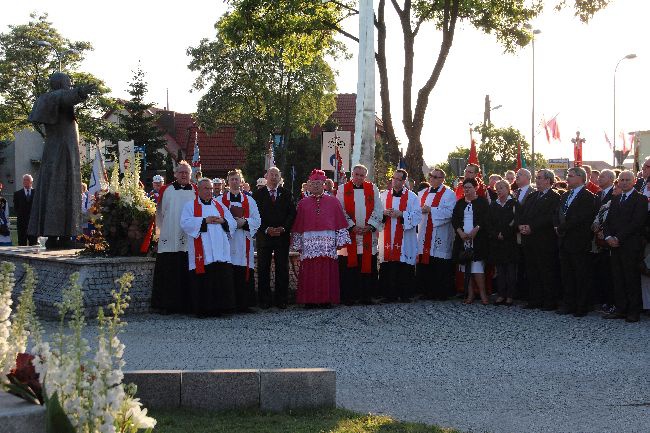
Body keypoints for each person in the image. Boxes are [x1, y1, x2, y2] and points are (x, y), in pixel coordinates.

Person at [27, 73, 95, 249]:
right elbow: (68, 97)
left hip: (54, 150)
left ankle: (60, 236)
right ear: (61, 83)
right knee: (62, 189)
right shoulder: (57, 96)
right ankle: (59, 235)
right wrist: (81, 92)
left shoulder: (45, 99)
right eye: (68, 82)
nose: (70, 84)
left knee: (55, 190)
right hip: (63, 151)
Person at [291, 169, 350, 307]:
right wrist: (297, 242)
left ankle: (326, 300)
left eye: (319, 183)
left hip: (327, 243)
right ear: (309, 185)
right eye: (313, 183)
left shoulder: (334, 202)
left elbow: (340, 222)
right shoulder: (302, 203)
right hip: (309, 243)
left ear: (324, 184)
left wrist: (340, 241)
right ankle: (309, 300)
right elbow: (298, 224)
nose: (316, 185)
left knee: (326, 271)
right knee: (309, 271)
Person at [180, 178, 236, 317]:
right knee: (204, 280)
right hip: (203, 252)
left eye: (211, 189)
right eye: (206, 188)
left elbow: (232, 223)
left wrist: (223, 221)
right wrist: (204, 220)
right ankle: (203, 310)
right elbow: (185, 223)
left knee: (221, 278)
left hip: (220, 249)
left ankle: (222, 309)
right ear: (198, 190)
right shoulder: (190, 206)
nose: (209, 191)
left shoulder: (219, 205)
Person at [151, 161, 197, 314]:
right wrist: (159, 234)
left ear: (191, 175)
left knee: (187, 270)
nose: (184, 175)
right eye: (181, 172)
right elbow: (159, 213)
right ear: (176, 174)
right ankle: (166, 305)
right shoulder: (167, 190)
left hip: (189, 237)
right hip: (169, 235)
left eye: (186, 173)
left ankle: (187, 304)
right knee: (169, 271)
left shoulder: (195, 191)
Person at [603, 171, 647, 322]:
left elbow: (637, 222)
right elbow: (607, 221)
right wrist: (608, 236)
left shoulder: (640, 199)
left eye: (628, 179)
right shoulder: (616, 199)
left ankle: (633, 311)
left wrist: (618, 237)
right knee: (618, 278)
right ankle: (621, 308)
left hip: (630, 245)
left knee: (631, 279)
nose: (624, 182)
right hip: (614, 246)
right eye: (621, 180)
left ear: (634, 181)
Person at [337, 164, 384, 305]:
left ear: (365, 176)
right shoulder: (342, 189)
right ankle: (350, 297)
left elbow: (378, 208)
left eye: (362, 175)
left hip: (368, 234)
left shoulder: (373, 188)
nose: (358, 177)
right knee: (350, 267)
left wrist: (370, 226)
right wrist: (352, 226)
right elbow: (340, 209)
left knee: (368, 264)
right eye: (356, 174)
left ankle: (366, 296)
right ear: (352, 174)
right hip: (351, 234)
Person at [554, 167, 597, 317]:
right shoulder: (565, 195)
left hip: (578, 241)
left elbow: (581, 217)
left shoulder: (588, 196)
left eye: (571, 176)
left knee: (580, 274)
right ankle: (569, 303)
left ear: (580, 178)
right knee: (567, 275)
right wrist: (556, 226)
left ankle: (581, 306)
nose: (568, 178)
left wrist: (562, 227)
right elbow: (558, 212)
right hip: (564, 241)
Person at [517, 169, 561, 310]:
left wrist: (532, 227)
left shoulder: (555, 197)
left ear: (548, 180)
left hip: (544, 240)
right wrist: (522, 226)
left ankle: (549, 301)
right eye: (536, 177)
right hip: (529, 240)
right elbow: (523, 213)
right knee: (532, 271)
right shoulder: (532, 196)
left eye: (540, 178)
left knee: (546, 271)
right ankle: (534, 299)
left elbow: (550, 217)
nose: (537, 180)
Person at [218, 169, 261, 313]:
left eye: (237, 179)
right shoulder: (219, 201)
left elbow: (257, 220)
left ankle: (244, 304)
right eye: (232, 179)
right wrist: (230, 223)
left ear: (241, 181)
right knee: (228, 270)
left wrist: (244, 222)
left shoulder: (250, 200)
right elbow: (217, 219)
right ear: (227, 182)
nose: (235, 182)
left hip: (243, 239)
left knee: (243, 269)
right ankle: (228, 304)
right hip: (228, 240)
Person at [253, 166, 296, 309]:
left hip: (281, 237)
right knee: (263, 268)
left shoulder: (287, 193)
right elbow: (255, 215)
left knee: (282, 268)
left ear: (280, 177)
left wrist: (283, 228)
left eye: (276, 175)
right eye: (271, 175)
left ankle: (281, 299)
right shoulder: (257, 195)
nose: (273, 177)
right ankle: (264, 300)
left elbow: (292, 214)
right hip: (264, 237)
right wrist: (266, 229)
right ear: (266, 176)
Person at [378, 169, 421, 302]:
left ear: (404, 181)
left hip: (404, 237)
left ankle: (405, 294)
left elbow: (417, 216)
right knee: (388, 263)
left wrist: (402, 214)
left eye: (398, 179)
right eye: (393, 178)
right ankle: (388, 295)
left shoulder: (412, 197)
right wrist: (384, 213)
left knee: (403, 263)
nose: (395, 181)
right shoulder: (384, 195)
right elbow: (376, 212)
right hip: (387, 235)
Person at [417, 169, 456, 300]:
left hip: (439, 232)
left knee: (439, 263)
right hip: (424, 230)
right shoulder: (422, 192)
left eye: (434, 177)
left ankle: (440, 292)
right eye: (431, 176)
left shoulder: (449, 194)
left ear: (442, 179)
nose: (431, 178)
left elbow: (450, 213)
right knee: (425, 261)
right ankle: (424, 291)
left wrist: (431, 210)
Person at [452, 178, 490, 305]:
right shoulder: (460, 203)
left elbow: (485, 218)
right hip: (463, 239)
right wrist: (460, 233)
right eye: (465, 187)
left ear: (475, 188)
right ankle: (470, 294)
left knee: (477, 267)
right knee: (465, 267)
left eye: (469, 187)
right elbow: (455, 219)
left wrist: (476, 229)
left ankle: (483, 294)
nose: (466, 189)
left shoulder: (482, 202)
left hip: (477, 239)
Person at [488, 180, 517, 306]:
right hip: (497, 243)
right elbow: (488, 222)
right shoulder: (494, 205)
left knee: (511, 271)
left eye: (501, 188)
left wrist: (505, 234)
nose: (499, 190)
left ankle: (510, 296)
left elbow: (516, 221)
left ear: (508, 188)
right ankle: (501, 294)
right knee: (500, 271)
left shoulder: (514, 204)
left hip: (510, 242)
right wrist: (496, 234)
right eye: (497, 188)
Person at [13, 174, 37, 246]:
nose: (25, 181)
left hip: (33, 223)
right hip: (22, 223)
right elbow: (16, 208)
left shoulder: (36, 193)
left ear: (31, 182)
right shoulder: (17, 194)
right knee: (21, 243)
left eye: (27, 180)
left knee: (33, 244)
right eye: (24, 180)